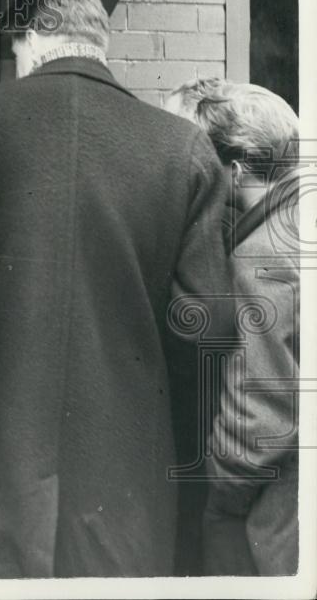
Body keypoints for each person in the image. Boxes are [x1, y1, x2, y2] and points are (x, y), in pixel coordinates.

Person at [0, 0, 234, 578]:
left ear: (32, 38)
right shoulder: (184, 149)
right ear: (100, 43)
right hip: (128, 477)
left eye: (16, 53)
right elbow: (206, 331)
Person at [171, 79, 300, 576]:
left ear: (236, 169)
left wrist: (220, 494)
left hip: (277, 519)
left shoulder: (264, 253)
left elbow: (261, 409)